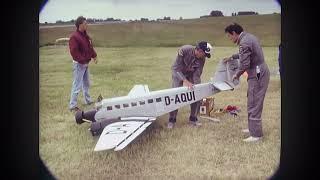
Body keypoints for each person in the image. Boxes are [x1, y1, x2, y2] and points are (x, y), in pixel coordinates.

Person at [223, 23, 270, 142]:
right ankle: (252, 128)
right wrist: (232, 57)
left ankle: (256, 135)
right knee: (252, 99)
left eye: (229, 36)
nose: (230, 39)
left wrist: (237, 75)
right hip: (258, 70)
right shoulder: (249, 37)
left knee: (254, 101)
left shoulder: (244, 42)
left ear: (234, 33)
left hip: (257, 72)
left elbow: (245, 64)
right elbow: (246, 54)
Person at [167, 41, 213, 129]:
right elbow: (176, 68)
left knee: (196, 93)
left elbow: (197, 74)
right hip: (178, 73)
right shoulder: (184, 50)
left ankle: (193, 119)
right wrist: (184, 80)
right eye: (204, 54)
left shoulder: (202, 59)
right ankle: (171, 120)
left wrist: (196, 87)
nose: (204, 56)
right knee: (175, 95)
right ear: (199, 50)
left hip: (191, 74)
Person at [69, 16, 98, 111]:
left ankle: (88, 100)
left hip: (85, 64)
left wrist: (94, 56)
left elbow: (90, 47)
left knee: (86, 83)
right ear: (80, 25)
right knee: (77, 85)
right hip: (79, 64)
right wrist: (82, 61)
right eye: (85, 23)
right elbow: (74, 52)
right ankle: (72, 106)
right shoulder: (74, 37)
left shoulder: (86, 36)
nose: (87, 25)